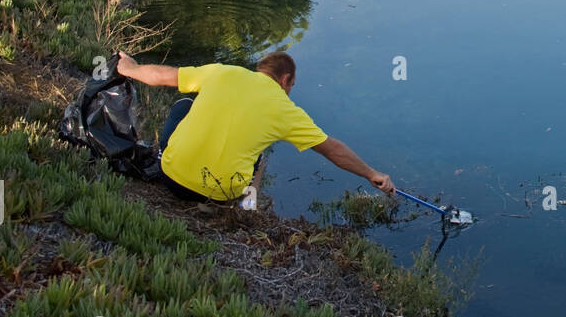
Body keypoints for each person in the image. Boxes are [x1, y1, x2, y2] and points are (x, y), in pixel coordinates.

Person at [115, 50, 395, 204]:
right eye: (291, 87)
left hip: (172, 180)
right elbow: (332, 149)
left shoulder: (222, 72)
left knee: (183, 106)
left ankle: (177, 159)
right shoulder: (285, 110)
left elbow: (164, 75)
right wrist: (371, 173)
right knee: (260, 154)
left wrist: (130, 68)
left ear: (261, 69)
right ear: (286, 80)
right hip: (219, 196)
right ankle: (249, 207)